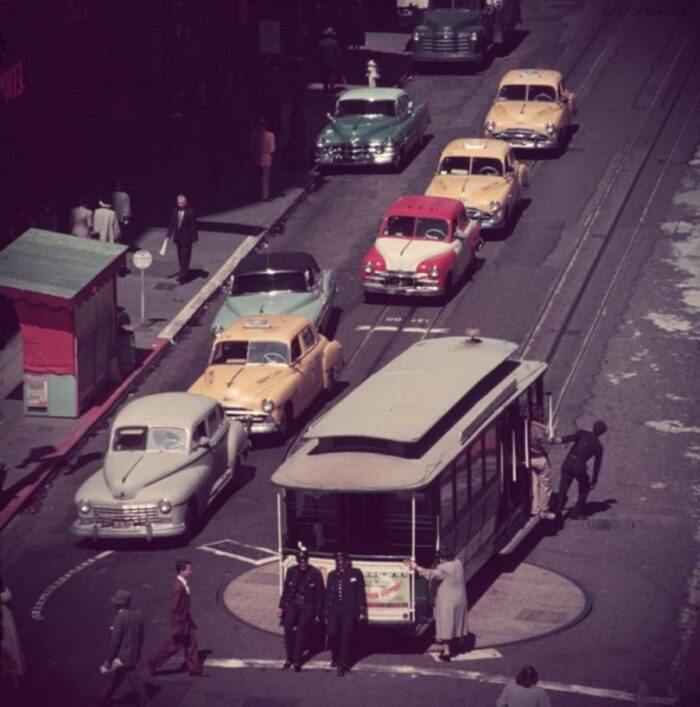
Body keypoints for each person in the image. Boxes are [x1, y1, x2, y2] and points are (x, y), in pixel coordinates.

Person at [148, 560, 209, 677]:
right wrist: (179, 625)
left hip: (186, 620)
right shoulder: (178, 588)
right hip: (181, 623)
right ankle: (154, 660)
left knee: (192, 643)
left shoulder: (182, 584)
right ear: (181, 571)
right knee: (175, 646)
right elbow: (175, 608)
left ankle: (195, 669)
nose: (191, 571)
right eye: (188, 570)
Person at [407, 547, 468, 661]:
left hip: (447, 600)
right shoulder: (458, 563)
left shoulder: (443, 568)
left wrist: (416, 567)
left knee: (445, 624)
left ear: (443, 558)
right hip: (460, 598)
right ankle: (461, 645)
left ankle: (446, 652)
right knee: (459, 621)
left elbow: (430, 574)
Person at [97, 589, 149, 706]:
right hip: (134, 654)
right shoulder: (139, 615)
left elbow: (115, 642)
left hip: (123, 657)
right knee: (118, 678)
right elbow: (141, 637)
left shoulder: (119, 619)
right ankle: (107, 697)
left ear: (118, 604)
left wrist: (109, 660)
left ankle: (145, 703)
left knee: (135, 682)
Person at [277, 550, 325, 672]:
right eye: (300, 561)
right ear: (297, 561)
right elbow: (286, 590)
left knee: (301, 630)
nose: (302, 563)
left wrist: (318, 613)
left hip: (308, 606)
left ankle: (297, 660)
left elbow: (320, 595)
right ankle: (289, 658)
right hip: (294, 604)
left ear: (308, 560)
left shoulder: (315, 573)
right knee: (288, 626)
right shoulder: (291, 571)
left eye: (304, 561)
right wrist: (281, 606)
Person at [324, 551, 366, 676]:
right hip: (334, 609)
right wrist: (325, 611)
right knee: (332, 632)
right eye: (338, 562)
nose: (340, 565)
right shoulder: (332, 575)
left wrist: (362, 610)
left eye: (342, 562)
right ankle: (336, 656)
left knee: (347, 636)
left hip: (349, 610)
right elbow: (328, 594)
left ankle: (342, 664)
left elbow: (360, 593)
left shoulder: (355, 573)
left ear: (347, 562)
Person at [554, 420, 607, 520]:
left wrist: (559, 439)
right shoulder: (599, 447)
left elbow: (569, 438)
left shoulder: (582, 433)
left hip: (567, 462)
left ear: (593, 426)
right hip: (579, 466)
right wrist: (594, 480)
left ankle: (558, 511)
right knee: (584, 489)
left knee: (563, 488)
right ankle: (576, 512)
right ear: (602, 433)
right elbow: (597, 465)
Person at [529, 406, 556, 520]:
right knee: (545, 485)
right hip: (540, 459)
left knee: (534, 484)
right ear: (540, 417)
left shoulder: (527, 427)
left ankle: (534, 508)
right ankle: (544, 510)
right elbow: (546, 448)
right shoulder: (539, 431)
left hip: (529, 458)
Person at [165, 194, 198, 284]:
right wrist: (168, 235)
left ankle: (183, 276)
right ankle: (183, 271)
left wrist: (195, 238)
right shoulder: (175, 211)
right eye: (178, 203)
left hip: (187, 238)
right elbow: (172, 223)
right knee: (180, 256)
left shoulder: (190, 212)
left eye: (181, 203)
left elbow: (193, 226)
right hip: (178, 238)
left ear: (185, 203)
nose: (179, 205)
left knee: (185, 256)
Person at [1, 583, 27, 690]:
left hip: (4, 619)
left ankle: (13, 675)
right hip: (3, 618)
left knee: (9, 647)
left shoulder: (3, 592)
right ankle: (9, 673)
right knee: (6, 647)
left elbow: (7, 597)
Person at [250, 117, 276, 202]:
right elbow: (272, 149)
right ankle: (264, 196)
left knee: (257, 178)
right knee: (265, 179)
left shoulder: (254, 134)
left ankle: (255, 195)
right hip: (266, 158)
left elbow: (251, 148)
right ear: (266, 125)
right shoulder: (270, 135)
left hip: (256, 158)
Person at [318, 27, 341, 93]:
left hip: (324, 62)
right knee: (333, 75)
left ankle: (325, 88)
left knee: (325, 75)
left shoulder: (321, 43)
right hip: (333, 62)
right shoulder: (335, 43)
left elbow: (319, 53)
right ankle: (331, 89)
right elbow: (338, 53)